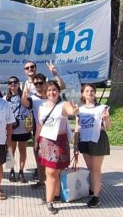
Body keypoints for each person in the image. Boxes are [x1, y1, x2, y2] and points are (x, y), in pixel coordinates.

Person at [35, 81, 79, 214]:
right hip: (45, 142)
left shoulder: (63, 105)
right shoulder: (41, 107)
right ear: (45, 92)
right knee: (51, 172)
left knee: (53, 172)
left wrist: (74, 110)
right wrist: (37, 141)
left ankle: (51, 199)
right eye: (49, 90)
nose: (51, 92)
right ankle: (53, 197)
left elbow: (71, 110)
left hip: (59, 142)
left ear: (58, 91)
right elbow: (39, 126)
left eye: (54, 90)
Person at [76, 84, 111, 208]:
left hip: (97, 139)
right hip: (84, 140)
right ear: (83, 94)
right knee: (90, 168)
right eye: (87, 91)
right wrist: (75, 144)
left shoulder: (102, 108)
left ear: (95, 93)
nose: (90, 92)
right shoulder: (79, 109)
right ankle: (94, 188)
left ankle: (96, 196)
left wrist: (106, 119)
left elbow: (108, 127)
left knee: (96, 169)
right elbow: (77, 127)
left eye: (92, 91)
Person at [21, 73, 48, 187]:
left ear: (45, 83)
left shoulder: (52, 95)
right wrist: (25, 93)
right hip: (38, 132)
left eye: (40, 83)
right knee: (39, 159)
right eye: (35, 83)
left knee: (52, 161)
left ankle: (53, 183)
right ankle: (41, 181)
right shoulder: (32, 98)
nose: (38, 85)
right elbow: (24, 103)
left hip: (53, 133)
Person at [4, 76, 31, 183]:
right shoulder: (5, 98)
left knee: (23, 150)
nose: (13, 84)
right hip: (11, 129)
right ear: (8, 85)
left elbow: (29, 110)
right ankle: (11, 170)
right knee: (10, 151)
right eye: (10, 83)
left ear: (18, 84)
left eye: (15, 82)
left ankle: (21, 171)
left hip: (23, 128)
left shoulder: (24, 97)